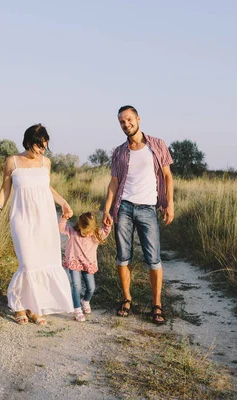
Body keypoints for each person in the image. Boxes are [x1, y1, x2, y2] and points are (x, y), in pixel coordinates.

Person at [0, 123, 74, 325]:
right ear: (28, 142)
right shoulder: (13, 162)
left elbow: (46, 187)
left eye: (44, 146)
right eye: (38, 146)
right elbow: (5, 190)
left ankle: (33, 308)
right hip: (22, 219)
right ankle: (18, 305)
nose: (41, 150)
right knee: (28, 263)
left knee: (43, 262)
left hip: (45, 219)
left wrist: (63, 202)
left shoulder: (46, 163)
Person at [102, 105, 174, 325]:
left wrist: (170, 204)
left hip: (148, 209)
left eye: (129, 120)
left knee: (153, 259)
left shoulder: (158, 145)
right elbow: (114, 182)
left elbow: (167, 176)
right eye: (122, 122)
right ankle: (126, 299)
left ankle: (156, 304)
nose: (126, 124)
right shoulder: (119, 152)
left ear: (138, 119)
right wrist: (106, 208)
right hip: (123, 207)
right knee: (123, 257)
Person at [58, 212, 112, 322]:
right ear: (79, 226)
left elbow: (106, 231)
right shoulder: (73, 232)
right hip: (75, 262)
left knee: (91, 287)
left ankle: (85, 301)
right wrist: (63, 218)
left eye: (89, 232)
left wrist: (107, 224)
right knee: (76, 286)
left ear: (94, 229)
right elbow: (61, 228)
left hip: (89, 264)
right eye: (84, 231)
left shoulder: (96, 235)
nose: (86, 234)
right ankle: (77, 309)